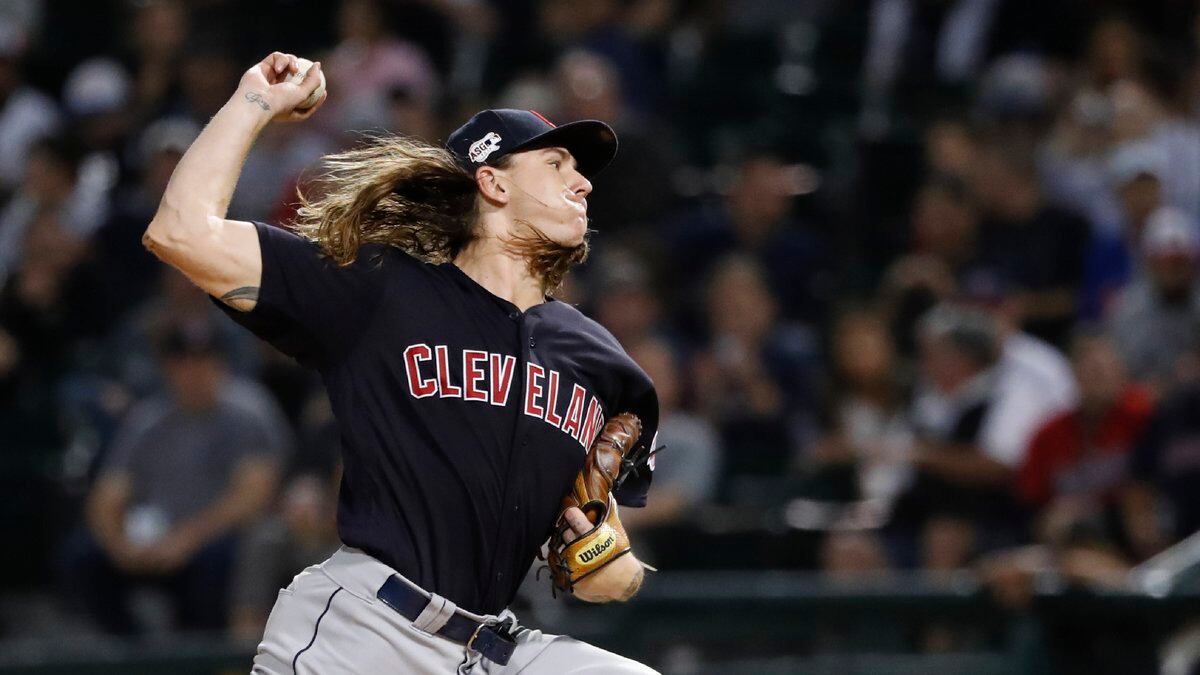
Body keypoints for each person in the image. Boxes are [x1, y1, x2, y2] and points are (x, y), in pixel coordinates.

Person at [142, 52, 659, 673]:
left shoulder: (602, 363)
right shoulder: (381, 290)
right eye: (555, 164)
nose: (584, 183)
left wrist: (606, 561)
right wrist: (255, 101)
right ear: (492, 183)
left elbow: (612, 576)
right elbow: (180, 233)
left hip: (494, 645)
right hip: (366, 633)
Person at [63, 319, 287, 635]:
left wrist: (185, 540)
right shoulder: (148, 419)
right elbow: (108, 494)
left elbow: (253, 496)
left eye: (203, 359)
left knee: (219, 562)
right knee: (84, 558)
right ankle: (132, 653)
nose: (193, 370)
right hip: (153, 537)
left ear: (221, 363)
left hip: (216, 540)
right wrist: (120, 547)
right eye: (182, 361)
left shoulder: (248, 411)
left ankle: (205, 660)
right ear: (167, 367)